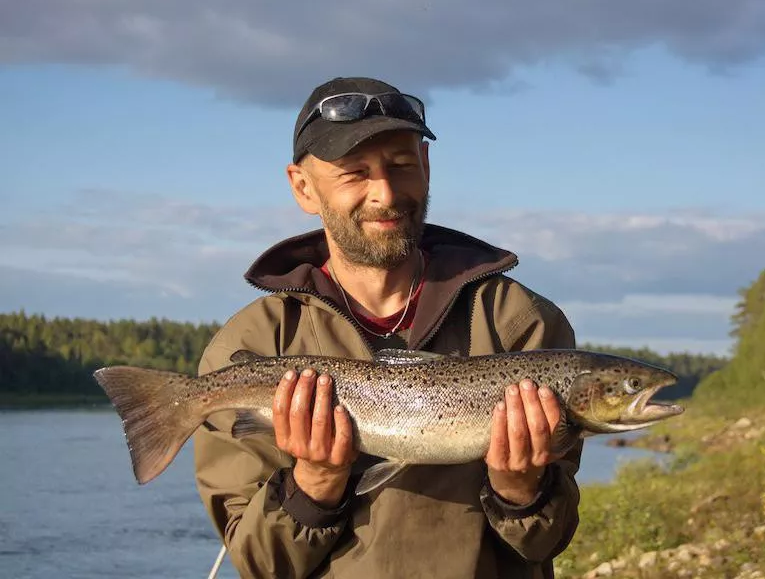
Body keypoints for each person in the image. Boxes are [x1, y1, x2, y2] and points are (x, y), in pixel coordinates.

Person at [193, 76, 583, 579]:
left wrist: (521, 490)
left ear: (425, 166)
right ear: (303, 187)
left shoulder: (521, 323)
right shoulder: (253, 343)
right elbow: (261, 566)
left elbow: (549, 542)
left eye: (401, 165)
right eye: (355, 173)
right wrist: (313, 484)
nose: (385, 192)